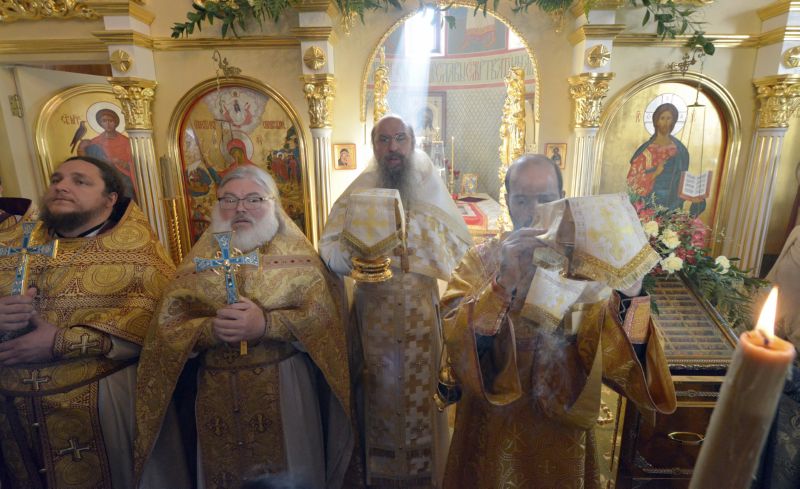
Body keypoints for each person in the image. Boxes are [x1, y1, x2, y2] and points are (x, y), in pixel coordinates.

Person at [439, 154, 677, 489]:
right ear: (508, 201)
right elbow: (454, 346)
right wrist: (502, 284)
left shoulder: (586, 265)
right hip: (492, 427)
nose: (534, 211)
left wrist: (631, 295)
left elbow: (619, 359)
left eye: (546, 199)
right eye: (522, 200)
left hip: (564, 426)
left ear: (563, 198)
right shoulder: (481, 260)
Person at [135, 166, 358, 489]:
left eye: (254, 199)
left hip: (285, 385)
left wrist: (267, 324)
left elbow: (324, 324)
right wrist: (209, 330)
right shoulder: (196, 264)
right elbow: (167, 330)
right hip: (215, 391)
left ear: (274, 204)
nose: (240, 208)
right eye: (229, 199)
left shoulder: (302, 262)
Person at [0, 156, 185, 489]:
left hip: (102, 406)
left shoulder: (138, 253)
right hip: (14, 415)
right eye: (57, 179)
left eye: (80, 181)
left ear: (110, 198)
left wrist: (59, 342)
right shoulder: (13, 245)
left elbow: (162, 323)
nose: (62, 187)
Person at [320, 114, 472, 488]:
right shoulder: (358, 192)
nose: (393, 148)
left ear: (412, 142)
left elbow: (461, 255)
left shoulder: (430, 188)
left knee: (424, 395)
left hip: (421, 315)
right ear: (374, 146)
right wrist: (359, 258)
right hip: (373, 319)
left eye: (400, 138)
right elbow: (329, 249)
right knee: (375, 394)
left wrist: (419, 253)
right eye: (384, 140)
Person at [627, 103, 705, 216]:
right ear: (656, 121)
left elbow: (681, 179)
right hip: (649, 203)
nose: (665, 123)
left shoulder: (680, 150)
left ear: (673, 121)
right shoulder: (646, 150)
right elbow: (632, 181)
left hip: (673, 204)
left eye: (669, 118)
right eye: (662, 118)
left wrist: (691, 195)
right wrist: (655, 173)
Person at [78, 108, 137, 200]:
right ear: (100, 123)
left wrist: (121, 163)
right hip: (104, 177)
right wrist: (81, 149)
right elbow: (87, 162)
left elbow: (136, 165)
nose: (108, 124)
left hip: (123, 177)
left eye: (111, 121)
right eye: (104, 121)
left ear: (116, 122)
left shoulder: (126, 142)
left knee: (126, 189)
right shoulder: (95, 142)